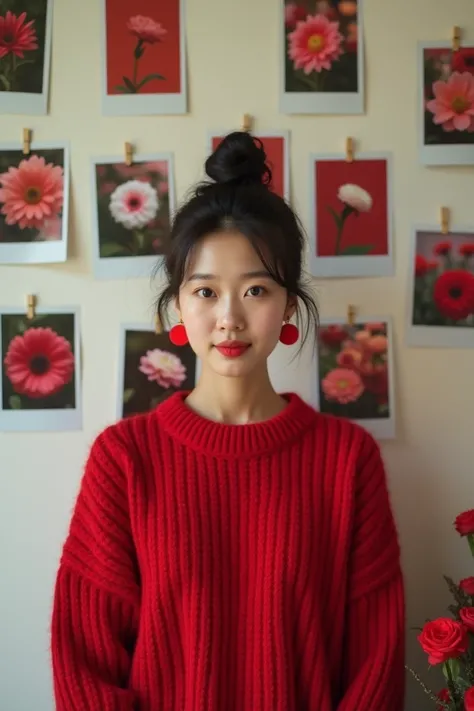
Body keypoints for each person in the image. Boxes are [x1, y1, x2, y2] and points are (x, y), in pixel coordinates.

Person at [50, 132, 405, 710]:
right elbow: (85, 658)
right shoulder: (125, 459)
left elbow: (375, 662)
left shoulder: (347, 460)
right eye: (206, 292)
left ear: (289, 306)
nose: (229, 319)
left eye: (256, 290)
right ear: (178, 308)